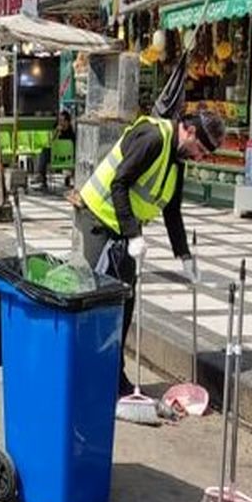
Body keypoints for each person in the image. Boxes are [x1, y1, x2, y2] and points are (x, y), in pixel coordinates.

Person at [77, 110, 225, 396]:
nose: (199, 157)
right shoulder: (154, 139)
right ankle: (90, 376)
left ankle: (113, 378)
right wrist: (134, 234)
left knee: (125, 303)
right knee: (102, 304)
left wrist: (184, 256)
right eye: (200, 150)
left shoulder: (178, 159)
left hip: (123, 226)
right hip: (99, 219)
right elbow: (119, 183)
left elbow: (172, 210)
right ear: (190, 131)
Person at [36, 109, 75, 189]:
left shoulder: (71, 134)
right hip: (56, 155)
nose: (61, 123)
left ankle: (70, 176)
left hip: (67, 157)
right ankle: (42, 177)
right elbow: (52, 143)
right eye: (59, 120)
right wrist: (56, 133)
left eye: (63, 120)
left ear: (68, 122)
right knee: (44, 152)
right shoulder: (57, 131)